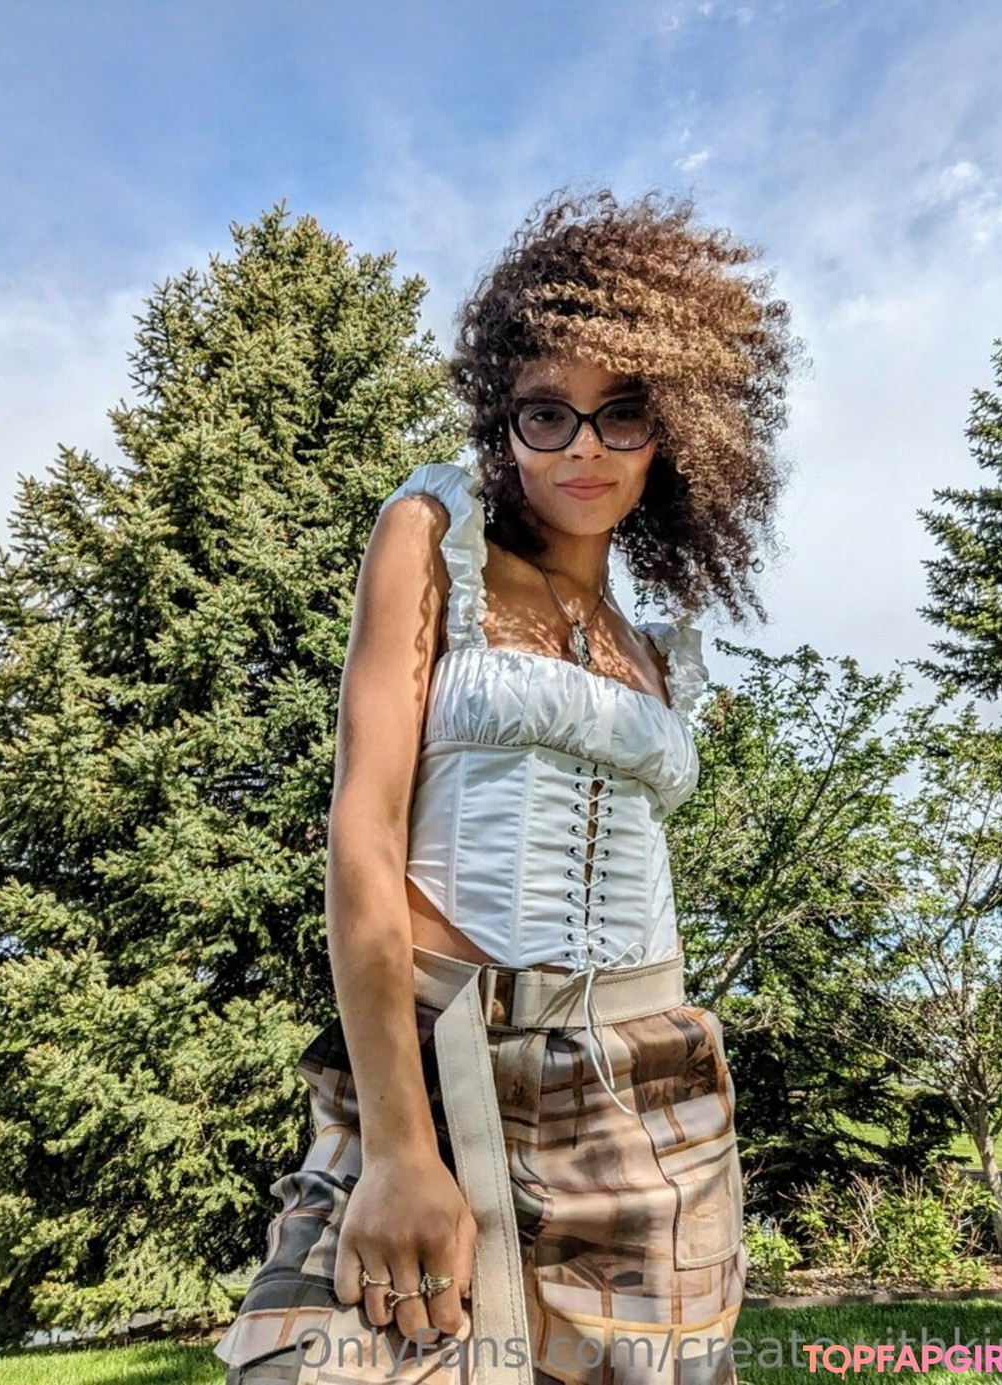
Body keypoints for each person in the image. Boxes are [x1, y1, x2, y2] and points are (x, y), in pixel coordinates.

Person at [214, 187, 798, 1385]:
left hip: (653, 1093)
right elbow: (363, 833)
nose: (584, 446)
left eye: (622, 411)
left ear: (675, 426)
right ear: (503, 419)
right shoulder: (436, 535)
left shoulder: (653, 647)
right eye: (547, 412)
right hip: (440, 1058)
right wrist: (395, 1144)